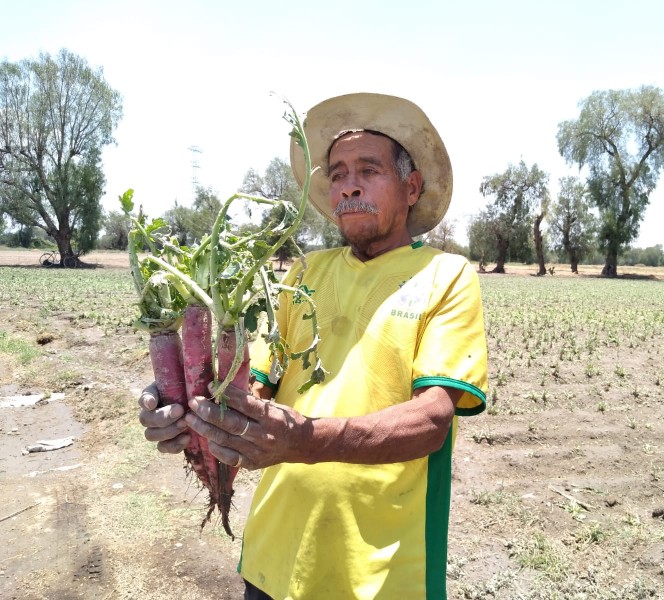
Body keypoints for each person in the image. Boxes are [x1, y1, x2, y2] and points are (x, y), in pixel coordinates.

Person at [138, 92, 489, 599]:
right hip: (273, 557)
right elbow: (248, 382)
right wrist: (184, 405)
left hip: (381, 576)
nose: (348, 187)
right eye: (338, 174)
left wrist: (306, 440)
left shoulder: (445, 275)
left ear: (411, 186)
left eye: (368, 170)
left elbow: (431, 421)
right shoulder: (304, 273)